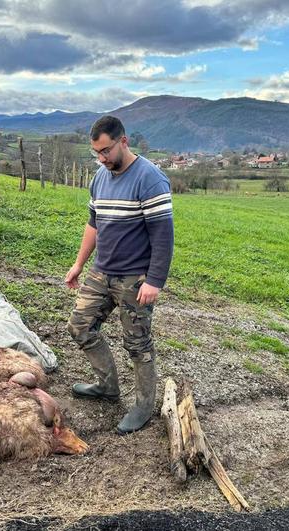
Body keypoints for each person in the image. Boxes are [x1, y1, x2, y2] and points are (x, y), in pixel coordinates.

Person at [66, 115, 174, 435]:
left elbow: (163, 236)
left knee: (137, 344)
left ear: (123, 142)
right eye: (96, 153)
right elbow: (94, 224)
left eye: (106, 151)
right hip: (102, 271)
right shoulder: (100, 177)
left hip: (134, 278)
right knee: (80, 327)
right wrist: (78, 264)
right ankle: (107, 385)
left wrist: (154, 281)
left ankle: (142, 406)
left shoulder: (150, 179)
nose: (101, 158)